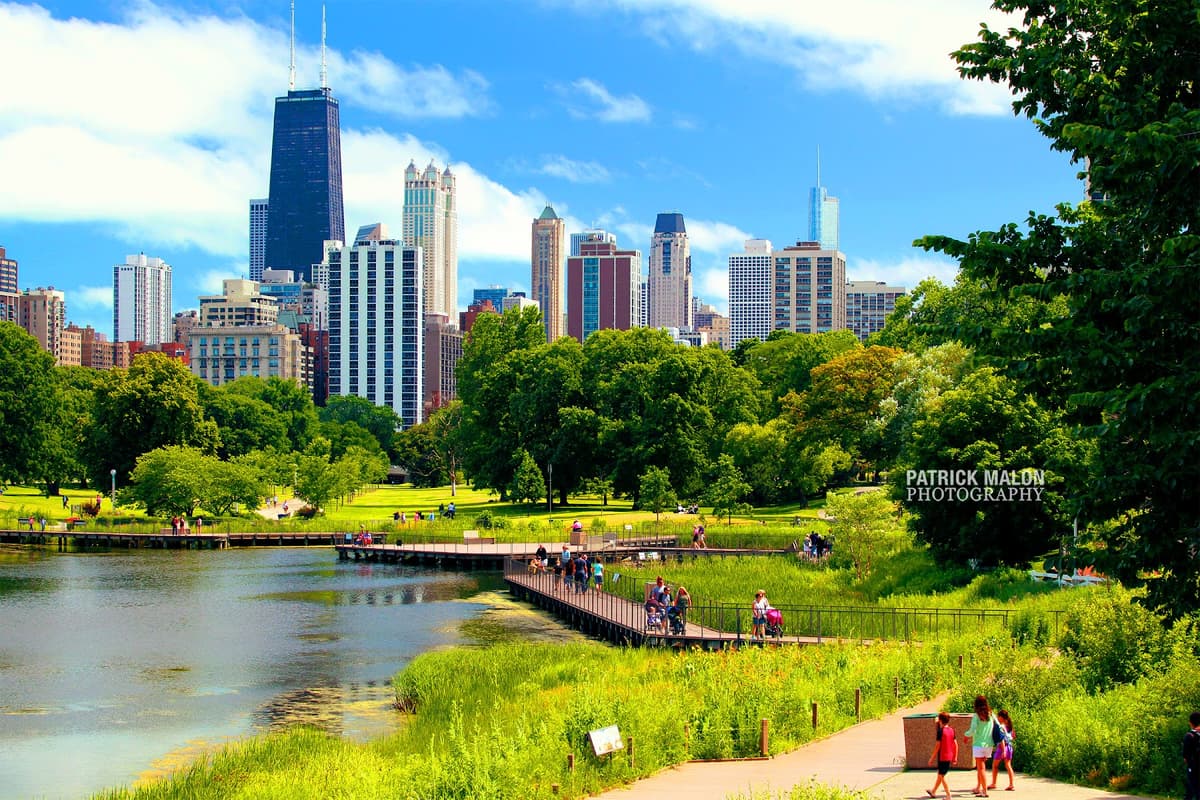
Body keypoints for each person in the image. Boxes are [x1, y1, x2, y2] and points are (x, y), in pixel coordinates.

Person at [964, 695, 997, 797]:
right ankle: (978, 787)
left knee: (981, 768)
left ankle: (985, 791)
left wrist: (966, 735)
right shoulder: (991, 714)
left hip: (978, 745)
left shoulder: (976, 716)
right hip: (989, 745)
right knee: (981, 767)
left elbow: (973, 729)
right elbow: (998, 726)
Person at [927, 711, 958, 800]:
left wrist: (932, 758)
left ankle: (948, 795)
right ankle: (933, 791)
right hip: (949, 756)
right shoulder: (952, 730)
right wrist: (955, 756)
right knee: (940, 775)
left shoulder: (941, 731)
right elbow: (955, 744)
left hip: (942, 756)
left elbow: (937, 746)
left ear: (940, 720)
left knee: (942, 776)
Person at [988, 708, 1015, 791]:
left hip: (1002, 747)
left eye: (999, 716)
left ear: (1001, 717)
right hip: (1010, 747)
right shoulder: (1009, 726)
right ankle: (1011, 784)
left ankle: (994, 783)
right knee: (1008, 765)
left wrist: (1003, 750)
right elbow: (1013, 736)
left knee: (995, 765)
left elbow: (1002, 739)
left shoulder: (1001, 726)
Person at [1184, 711, 1200, 800]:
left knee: (1192, 789)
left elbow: (1185, 756)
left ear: (1190, 722)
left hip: (1193, 766)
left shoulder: (1189, 735)